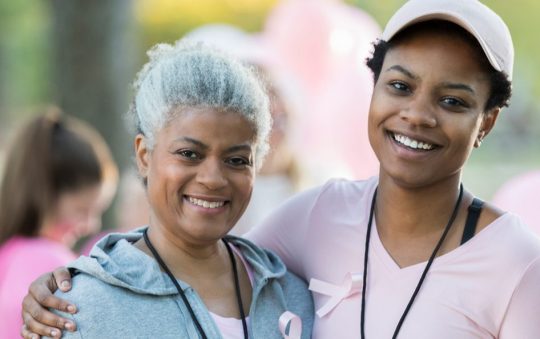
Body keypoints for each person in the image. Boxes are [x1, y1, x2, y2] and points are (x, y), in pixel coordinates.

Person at [21, 0, 540, 338]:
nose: (418, 115)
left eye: (452, 101)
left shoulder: (516, 262)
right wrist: (81, 276)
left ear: (486, 123)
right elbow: (192, 239)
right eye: (400, 87)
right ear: (374, 89)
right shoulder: (316, 216)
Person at [21, 40, 314, 339]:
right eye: (189, 154)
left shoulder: (293, 295)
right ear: (144, 154)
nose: (213, 178)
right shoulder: (79, 311)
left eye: (236, 160)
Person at [0, 108, 118, 339]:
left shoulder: (8, 253)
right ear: (46, 195)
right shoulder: (49, 263)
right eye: (82, 210)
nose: (91, 225)